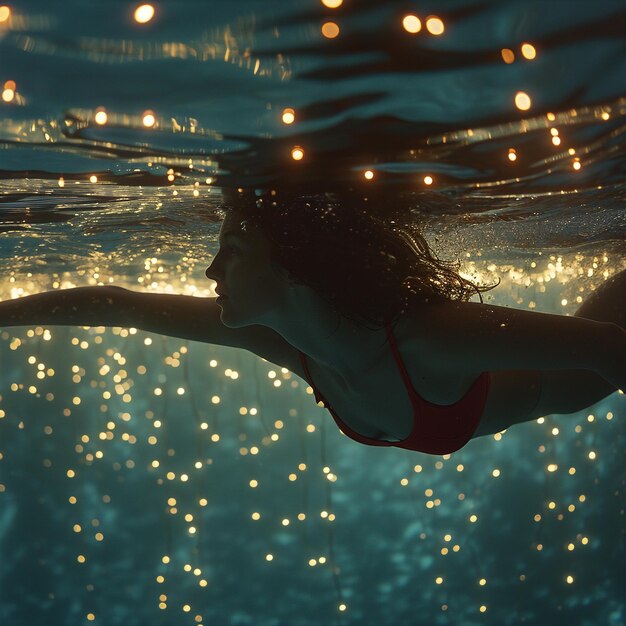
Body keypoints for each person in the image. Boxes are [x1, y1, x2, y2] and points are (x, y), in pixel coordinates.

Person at [2, 191, 624, 455]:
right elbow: (122, 306)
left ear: (293, 268)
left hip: (564, 385)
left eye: (234, 250)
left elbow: (607, 348)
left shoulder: (425, 338)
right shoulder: (286, 344)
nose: (212, 269)